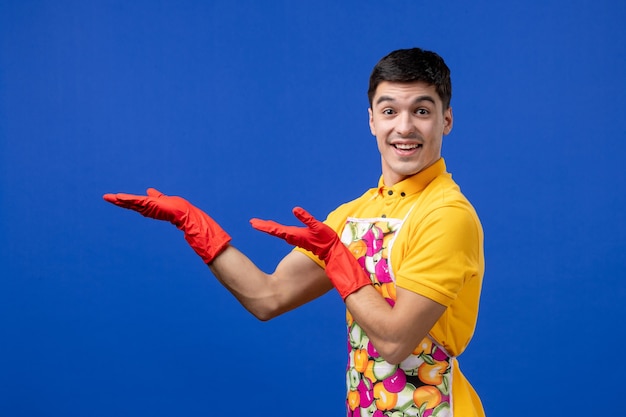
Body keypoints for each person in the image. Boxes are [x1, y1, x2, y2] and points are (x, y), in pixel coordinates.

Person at [104, 47, 485, 417]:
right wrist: (193, 224)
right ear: (372, 120)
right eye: (390, 111)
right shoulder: (354, 214)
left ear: (446, 120)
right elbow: (267, 297)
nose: (404, 127)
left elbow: (395, 341)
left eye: (421, 111)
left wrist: (338, 259)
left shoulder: (447, 215)